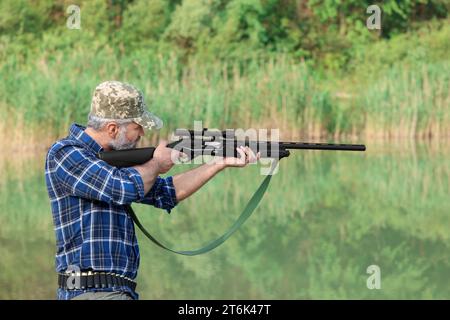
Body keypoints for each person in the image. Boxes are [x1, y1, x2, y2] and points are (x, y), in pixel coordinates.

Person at [45, 81, 259, 300]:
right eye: (138, 128)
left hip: (116, 292)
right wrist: (157, 163)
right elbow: (122, 188)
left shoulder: (115, 167)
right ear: (112, 128)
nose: (142, 135)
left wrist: (220, 163)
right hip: (91, 293)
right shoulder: (65, 153)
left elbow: (168, 192)